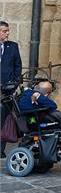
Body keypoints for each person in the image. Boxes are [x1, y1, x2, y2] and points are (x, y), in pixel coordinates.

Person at [1, 21, 22, 157]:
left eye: (8, 31)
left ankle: (0, 149)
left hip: (6, 90)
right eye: (5, 31)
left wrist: (13, 84)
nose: (8, 33)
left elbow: (17, 67)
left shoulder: (12, 47)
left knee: (3, 119)